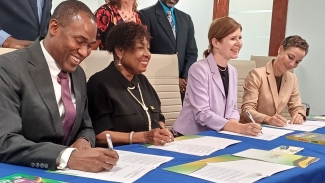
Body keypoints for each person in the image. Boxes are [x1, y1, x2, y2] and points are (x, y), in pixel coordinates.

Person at [0, 1, 118, 172]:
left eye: (90, 46)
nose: (84, 53)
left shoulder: (78, 74)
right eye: (79, 41)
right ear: (54, 28)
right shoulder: (8, 68)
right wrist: (68, 156)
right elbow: (5, 141)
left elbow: (86, 127)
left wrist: (84, 141)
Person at [87, 22, 173, 146]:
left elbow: (158, 118)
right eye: (140, 48)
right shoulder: (99, 84)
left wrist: (163, 132)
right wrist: (142, 137)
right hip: (121, 156)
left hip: (154, 150)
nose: (148, 54)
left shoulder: (142, 81)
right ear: (120, 51)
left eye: (148, 48)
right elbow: (98, 134)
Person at [172, 17, 262, 136]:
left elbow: (233, 108)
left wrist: (234, 124)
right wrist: (238, 128)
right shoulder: (198, 69)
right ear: (215, 42)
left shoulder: (233, 71)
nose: (239, 43)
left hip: (218, 134)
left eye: (240, 38)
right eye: (232, 38)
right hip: (191, 136)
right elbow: (202, 114)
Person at [240, 35, 309, 127]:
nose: (292, 64)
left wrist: (299, 115)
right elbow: (247, 110)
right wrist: (268, 119)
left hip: (275, 130)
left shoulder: (292, 78)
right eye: (290, 57)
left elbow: (296, 107)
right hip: (251, 128)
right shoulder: (256, 74)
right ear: (280, 49)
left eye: (297, 62)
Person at [140, 0, 198, 102]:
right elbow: (144, 51)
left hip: (183, 86)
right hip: (156, 81)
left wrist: (184, 77)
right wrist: (172, 79)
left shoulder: (186, 19)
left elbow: (192, 52)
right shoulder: (145, 15)